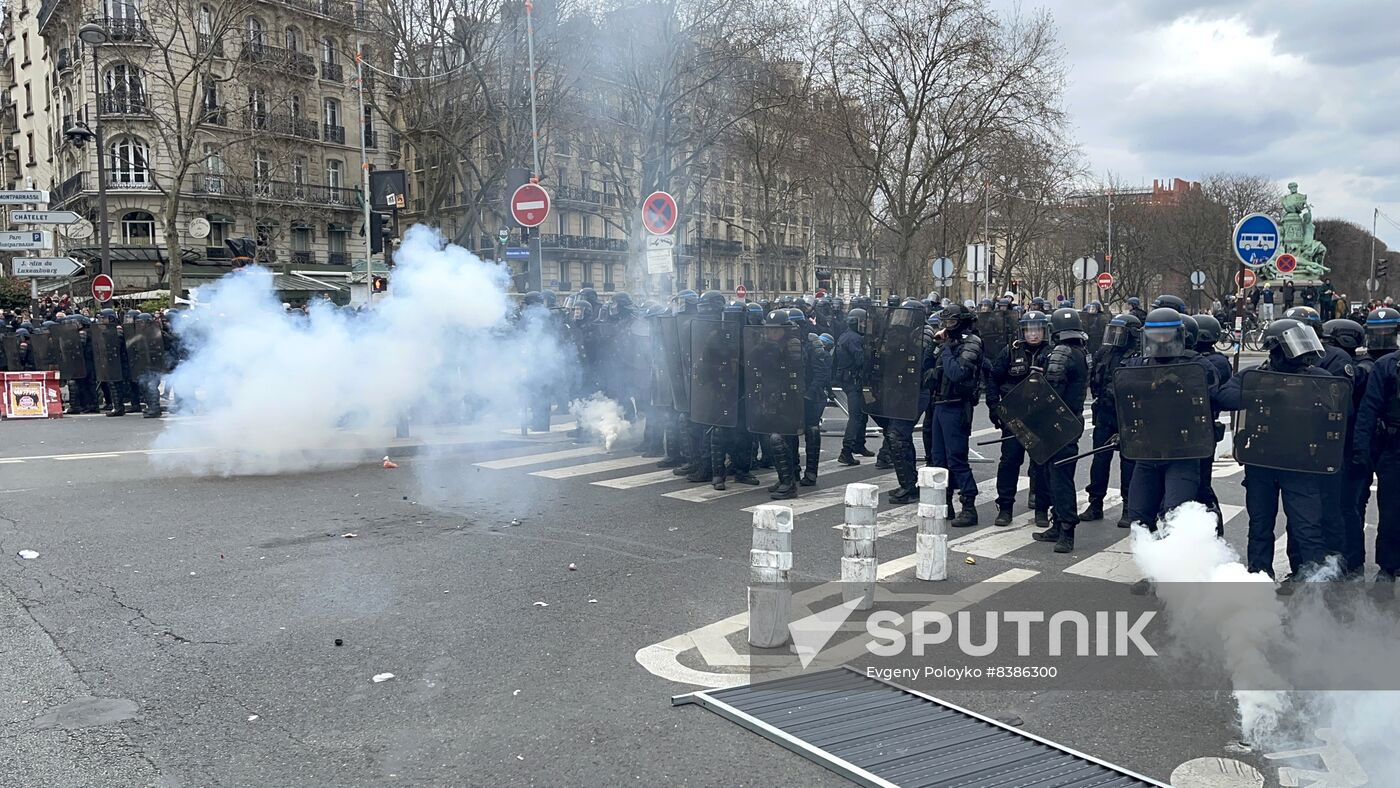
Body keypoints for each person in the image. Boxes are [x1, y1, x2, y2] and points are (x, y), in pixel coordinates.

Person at [1214, 319, 1332, 579]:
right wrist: (1264, 393)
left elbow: (1338, 406)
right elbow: (1224, 397)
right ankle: (1260, 575)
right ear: (1276, 349)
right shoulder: (1254, 375)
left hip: (1300, 462)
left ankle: (1310, 579)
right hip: (1262, 461)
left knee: (1307, 527)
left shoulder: (1317, 378)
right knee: (1260, 525)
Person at [1030, 308, 1090, 552]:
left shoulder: (1062, 353)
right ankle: (1058, 524)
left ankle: (1066, 529)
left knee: (1060, 479)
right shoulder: (1082, 352)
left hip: (1058, 421)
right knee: (1053, 476)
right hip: (1071, 418)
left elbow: (1051, 391)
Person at [984, 310, 1051, 527]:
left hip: (1040, 418)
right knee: (1009, 462)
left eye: (1037, 330)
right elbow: (993, 378)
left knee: (1041, 464)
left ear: (1044, 331)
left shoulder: (1051, 353)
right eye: (1029, 330)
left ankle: (1041, 509)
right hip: (1014, 417)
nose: (1033, 335)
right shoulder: (1010, 352)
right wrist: (995, 407)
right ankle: (1005, 507)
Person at [921, 303, 981, 517]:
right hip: (939, 404)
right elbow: (925, 367)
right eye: (944, 322)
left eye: (951, 322)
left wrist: (945, 349)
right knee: (938, 458)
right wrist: (934, 346)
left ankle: (968, 506)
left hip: (956, 405)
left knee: (956, 458)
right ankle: (945, 503)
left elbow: (957, 373)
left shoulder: (971, 343)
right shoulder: (947, 344)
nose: (947, 326)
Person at [1080, 313, 1140, 526]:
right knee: (1100, 460)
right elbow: (1093, 379)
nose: (1115, 336)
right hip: (1105, 413)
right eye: (1112, 331)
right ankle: (1095, 503)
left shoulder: (1139, 355)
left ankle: (1128, 507)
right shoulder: (1105, 352)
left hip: (1129, 416)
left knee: (1129, 463)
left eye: (1119, 332)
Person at [1353, 308, 1400, 580]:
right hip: (1393, 447)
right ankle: (1388, 565)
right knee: (1391, 509)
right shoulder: (1387, 366)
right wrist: (1361, 448)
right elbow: (1368, 410)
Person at [834, 307, 873, 465]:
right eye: (864, 322)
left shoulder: (845, 335)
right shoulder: (855, 339)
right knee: (856, 417)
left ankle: (859, 444)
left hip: (849, 381)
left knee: (863, 414)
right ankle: (846, 451)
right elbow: (861, 360)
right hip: (854, 382)